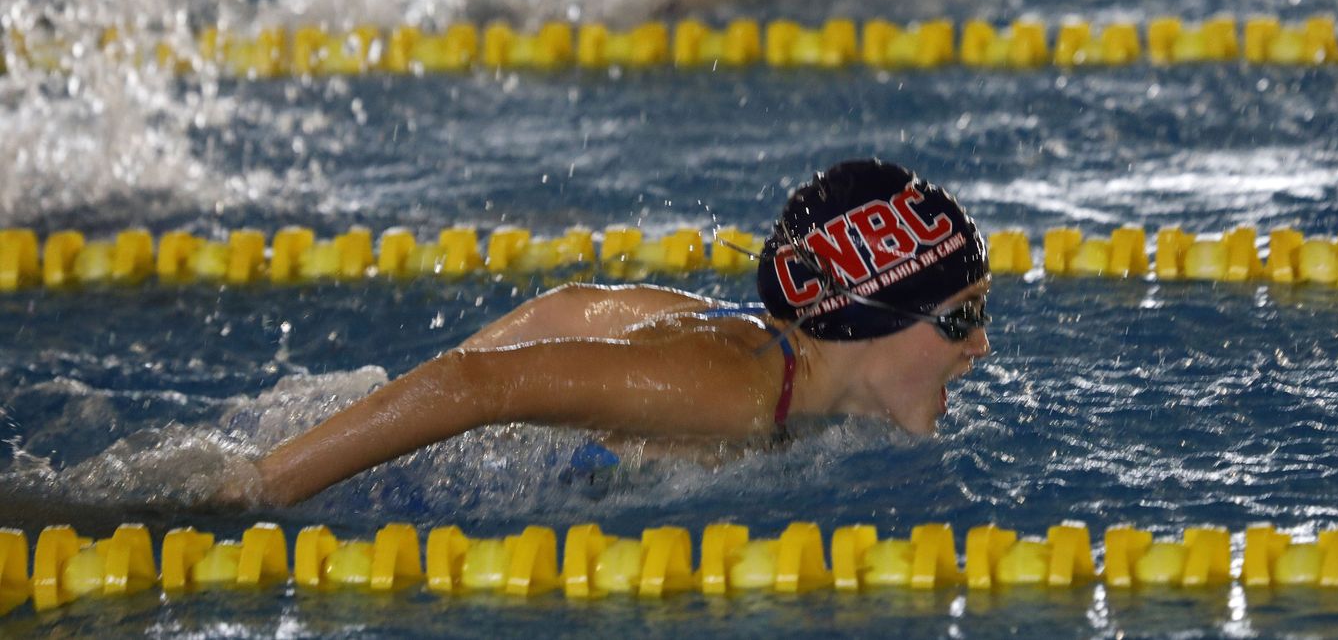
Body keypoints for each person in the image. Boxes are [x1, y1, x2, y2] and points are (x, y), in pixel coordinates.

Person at [237, 160, 992, 507]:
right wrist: (266, 484)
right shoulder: (738, 390)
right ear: (869, 316)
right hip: (366, 474)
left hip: (343, 424)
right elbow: (480, 385)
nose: (980, 345)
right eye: (962, 316)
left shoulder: (749, 344)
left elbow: (573, 307)